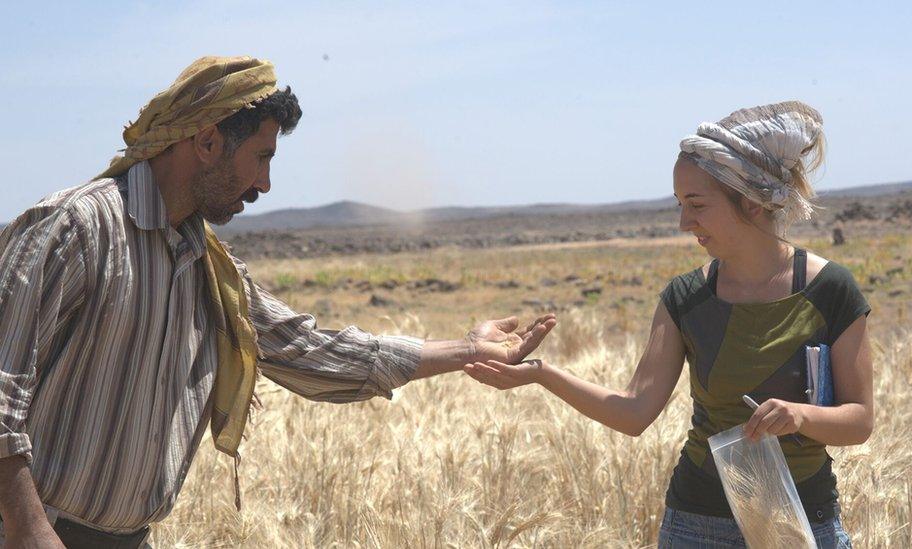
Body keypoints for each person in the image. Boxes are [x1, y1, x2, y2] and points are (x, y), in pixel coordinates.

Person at [0, 56, 556, 548]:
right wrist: (28, 529)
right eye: (261, 157)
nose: (265, 184)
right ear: (209, 141)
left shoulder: (208, 267)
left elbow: (310, 350)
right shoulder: (76, 229)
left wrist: (465, 350)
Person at [464, 101, 872, 548]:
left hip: (804, 522)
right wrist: (542, 374)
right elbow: (634, 412)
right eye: (680, 204)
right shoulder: (685, 298)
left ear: (753, 202)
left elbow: (859, 421)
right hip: (698, 525)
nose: (683, 222)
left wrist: (800, 416)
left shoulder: (832, 290)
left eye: (697, 204)